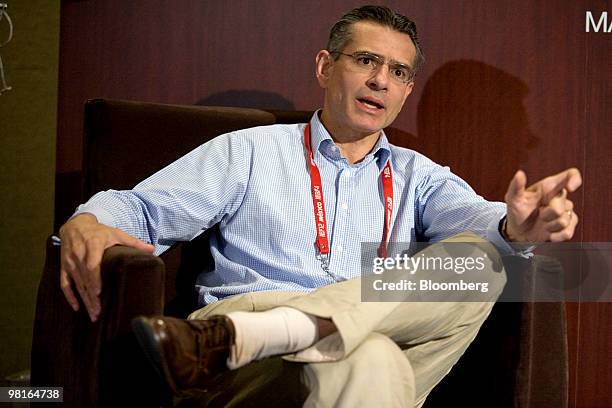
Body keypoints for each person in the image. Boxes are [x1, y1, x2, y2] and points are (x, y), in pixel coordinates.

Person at [58, 5, 581, 407]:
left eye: (398, 72)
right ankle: (263, 332)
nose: (381, 80)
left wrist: (516, 227)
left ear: (406, 92)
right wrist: (88, 219)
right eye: (366, 60)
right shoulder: (250, 149)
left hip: (313, 344)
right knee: (376, 357)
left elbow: (479, 223)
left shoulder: (418, 175)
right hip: (248, 340)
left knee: (483, 261)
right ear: (326, 67)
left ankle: (285, 332)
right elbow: (142, 212)